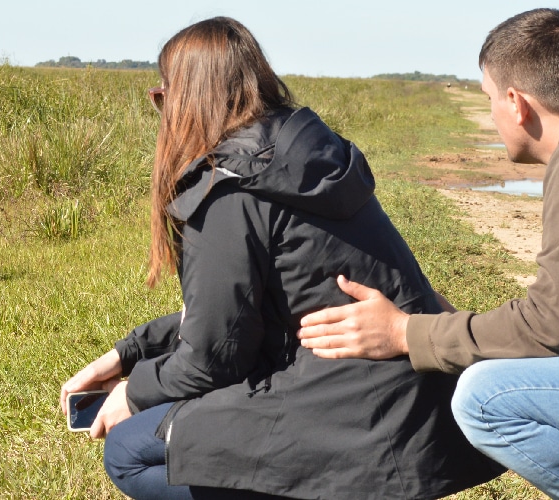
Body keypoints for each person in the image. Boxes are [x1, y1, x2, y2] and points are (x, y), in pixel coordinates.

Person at [59, 16, 502, 499]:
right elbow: (237, 316)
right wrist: (129, 355)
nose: (160, 111)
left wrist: (135, 391)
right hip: (420, 412)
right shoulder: (307, 157)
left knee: (128, 450)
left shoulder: (227, 189)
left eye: (161, 96)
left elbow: (215, 359)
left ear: (183, 100)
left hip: (357, 427)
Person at [297, 8, 559, 500]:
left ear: (516, 103)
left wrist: (404, 332)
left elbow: (549, 326)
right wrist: (463, 331)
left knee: (486, 397)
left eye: (489, 98)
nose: (492, 113)